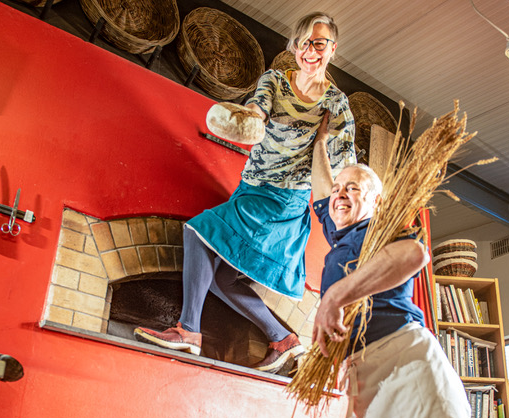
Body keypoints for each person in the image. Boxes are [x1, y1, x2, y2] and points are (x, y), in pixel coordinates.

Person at [134, 12, 356, 375]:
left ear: (332, 48)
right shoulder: (274, 80)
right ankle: (283, 340)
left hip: (284, 199)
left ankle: (189, 330)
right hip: (250, 186)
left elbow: (345, 161)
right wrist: (246, 119)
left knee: (198, 230)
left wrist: (345, 205)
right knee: (223, 278)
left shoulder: (336, 104)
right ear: (295, 47)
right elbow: (257, 110)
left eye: (318, 43)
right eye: (302, 43)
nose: (309, 51)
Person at [309, 119, 471, 418]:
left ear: (377, 201)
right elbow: (322, 192)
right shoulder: (340, 237)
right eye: (337, 189)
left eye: (352, 188)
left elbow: (415, 254)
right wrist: (319, 141)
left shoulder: (379, 232)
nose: (339, 194)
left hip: (407, 371)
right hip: (366, 386)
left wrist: (334, 297)